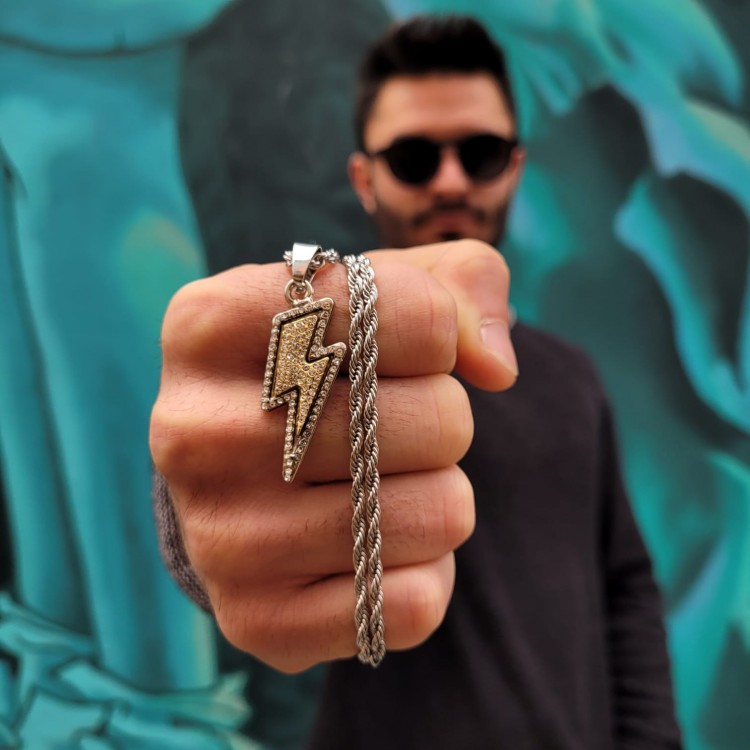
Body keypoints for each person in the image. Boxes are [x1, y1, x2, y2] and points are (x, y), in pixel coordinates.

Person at [151, 15, 682, 749]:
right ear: (364, 180)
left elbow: (623, 585)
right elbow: (236, 502)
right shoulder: (333, 357)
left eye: (481, 154)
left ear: (516, 166)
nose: (451, 181)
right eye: (413, 158)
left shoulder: (573, 377)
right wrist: (191, 524)